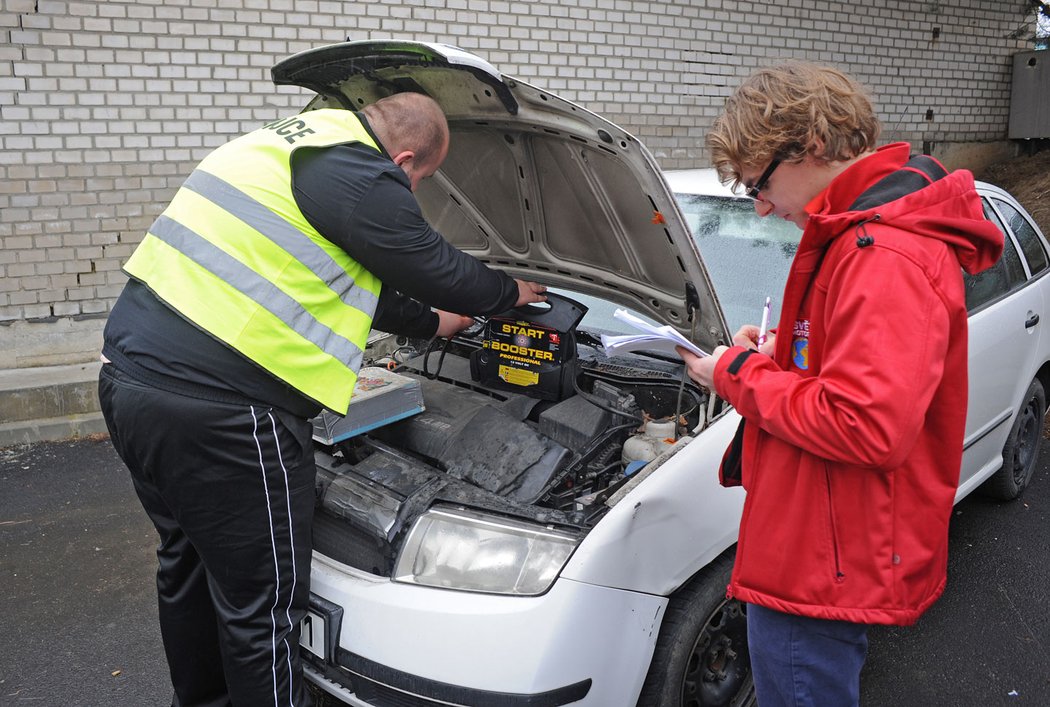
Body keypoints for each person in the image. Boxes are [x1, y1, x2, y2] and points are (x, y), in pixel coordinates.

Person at [98, 91, 546, 707]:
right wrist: (508, 294)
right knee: (265, 608)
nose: (412, 194)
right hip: (224, 413)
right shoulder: (358, 171)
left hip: (133, 383)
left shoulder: (287, 145)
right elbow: (433, 265)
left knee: (190, 566)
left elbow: (359, 280)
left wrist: (436, 324)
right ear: (406, 157)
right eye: (420, 181)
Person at [677, 62, 1003, 705]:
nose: (763, 206)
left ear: (812, 146)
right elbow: (853, 371)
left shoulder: (883, 256)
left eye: (759, 185)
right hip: (816, 540)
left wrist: (738, 375)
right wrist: (783, 356)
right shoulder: (857, 235)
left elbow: (867, 424)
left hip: (820, 560)